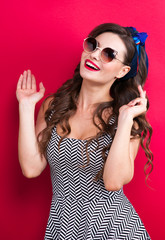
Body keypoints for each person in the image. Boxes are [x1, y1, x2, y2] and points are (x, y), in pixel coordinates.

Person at [16, 23, 153, 239]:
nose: (95, 55)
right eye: (93, 45)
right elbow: (31, 168)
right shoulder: (53, 107)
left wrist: (125, 120)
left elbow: (113, 181)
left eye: (108, 54)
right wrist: (25, 106)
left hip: (114, 230)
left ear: (123, 70)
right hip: (64, 227)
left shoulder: (127, 118)